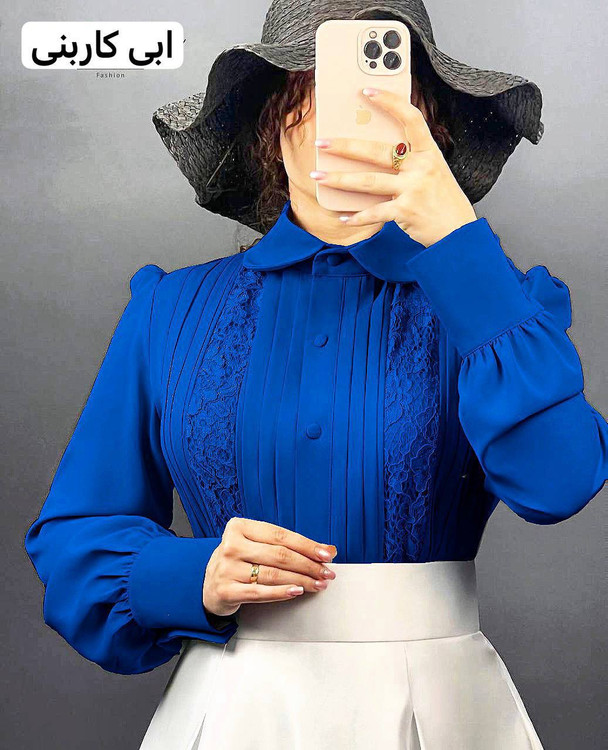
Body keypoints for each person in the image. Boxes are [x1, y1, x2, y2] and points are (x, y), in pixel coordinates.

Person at [25, 1, 607, 748]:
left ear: (428, 128)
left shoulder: (505, 303)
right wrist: (190, 575)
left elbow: (560, 484)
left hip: (445, 712)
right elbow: (75, 539)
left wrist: (457, 241)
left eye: (383, 99)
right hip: (234, 710)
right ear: (273, 124)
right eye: (318, 91)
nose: (350, 123)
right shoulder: (167, 310)